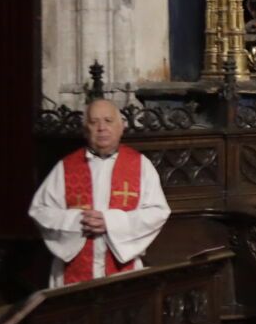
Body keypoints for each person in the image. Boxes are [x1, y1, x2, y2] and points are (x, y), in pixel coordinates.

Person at [28, 98, 169, 287]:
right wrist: (79, 221)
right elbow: (40, 211)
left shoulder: (140, 165)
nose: (101, 128)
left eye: (108, 121)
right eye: (94, 122)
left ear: (121, 127)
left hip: (122, 269)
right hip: (74, 273)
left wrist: (110, 222)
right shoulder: (67, 167)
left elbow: (158, 212)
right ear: (86, 129)